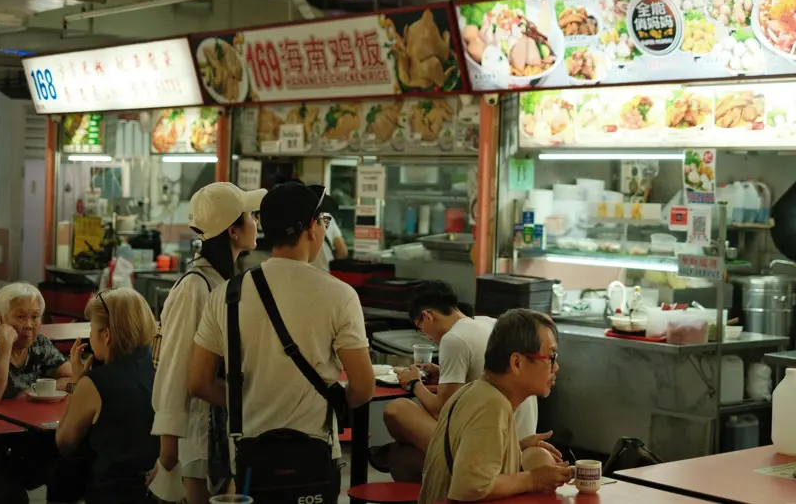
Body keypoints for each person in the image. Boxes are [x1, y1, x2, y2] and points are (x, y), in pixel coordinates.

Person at [188, 181, 375, 498]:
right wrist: (334, 402)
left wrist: (249, 401)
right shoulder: (340, 295)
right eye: (322, 221)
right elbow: (364, 387)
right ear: (311, 228)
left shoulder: (226, 294)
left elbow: (199, 382)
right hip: (314, 456)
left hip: (250, 456)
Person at [151, 182, 265, 504]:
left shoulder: (221, 280)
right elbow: (174, 366)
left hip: (220, 433)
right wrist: (168, 449)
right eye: (250, 215)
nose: (256, 222)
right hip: (197, 436)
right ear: (232, 230)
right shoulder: (195, 287)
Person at [374, 281, 539, 481]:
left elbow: (441, 411)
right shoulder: (489, 323)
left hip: (492, 447)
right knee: (402, 455)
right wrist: (444, 373)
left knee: (397, 412)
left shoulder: (454, 339)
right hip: (520, 439)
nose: (426, 337)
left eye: (420, 328)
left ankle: (395, 451)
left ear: (427, 316)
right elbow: (483, 378)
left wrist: (414, 383)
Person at [418, 309, 571, 504]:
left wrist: (515, 447)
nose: (555, 367)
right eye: (551, 357)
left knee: (538, 456)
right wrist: (534, 479)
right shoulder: (491, 404)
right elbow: (470, 487)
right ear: (517, 362)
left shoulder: (478, 392)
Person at [55, 288, 160, 504]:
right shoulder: (161, 368)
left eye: (91, 327)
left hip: (111, 492)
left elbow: (64, 442)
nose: (89, 334)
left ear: (106, 335)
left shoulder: (96, 383)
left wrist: (76, 383)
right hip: (156, 490)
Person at [0, 282, 71, 404]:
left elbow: (74, 378)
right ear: (0, 318)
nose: (29, 325)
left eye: (35, 317)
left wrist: (32, 391)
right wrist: (5, 346)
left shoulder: (40, 344)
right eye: (20, 317)